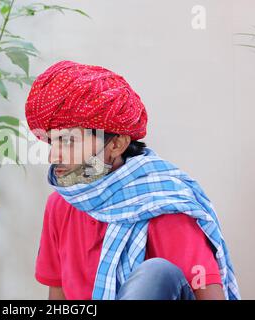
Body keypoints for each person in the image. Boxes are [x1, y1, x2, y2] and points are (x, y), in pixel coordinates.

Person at [25, 60, 240, 300]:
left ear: (116, 144)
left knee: (155, 274)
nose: (53, 156)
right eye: (52, 141)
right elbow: (59, 297)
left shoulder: (163, 206)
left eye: (68, 141)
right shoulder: (61, 205)